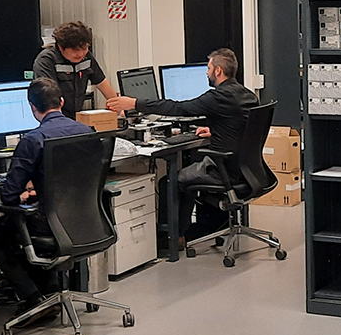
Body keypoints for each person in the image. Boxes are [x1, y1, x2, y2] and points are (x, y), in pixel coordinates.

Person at [106, 48, 257, 244]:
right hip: (247, 170)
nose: (206, 72)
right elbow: (244, 127)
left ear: (218, 71)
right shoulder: (247, 95)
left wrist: (135, 102)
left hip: (225, 171)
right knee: (186, 173)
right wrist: (216, 130)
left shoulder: (218, 97)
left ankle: (172, 239)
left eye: (209, 68)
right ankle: (187, 232)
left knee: (171, 182)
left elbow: (179, 108)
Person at [0, 78, 94, 317]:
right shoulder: (86, 131)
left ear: (32, 108)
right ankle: (52, 292)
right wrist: (41, 189)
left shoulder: (33, 140)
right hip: (86, 219)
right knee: (38, 217)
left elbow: (9, 197)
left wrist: (25, 193)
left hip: (51, 223)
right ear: (62, 102)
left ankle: (33, 298)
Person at [32, 21, 117, 116]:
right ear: (61, 47)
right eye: (75, 50)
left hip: (77, 115)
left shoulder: (86, 57)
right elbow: (48, 97)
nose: (80, 54)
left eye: (84, 48)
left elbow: (101, 82)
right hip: (56, 117)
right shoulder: (46, 61)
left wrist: (118, 108)